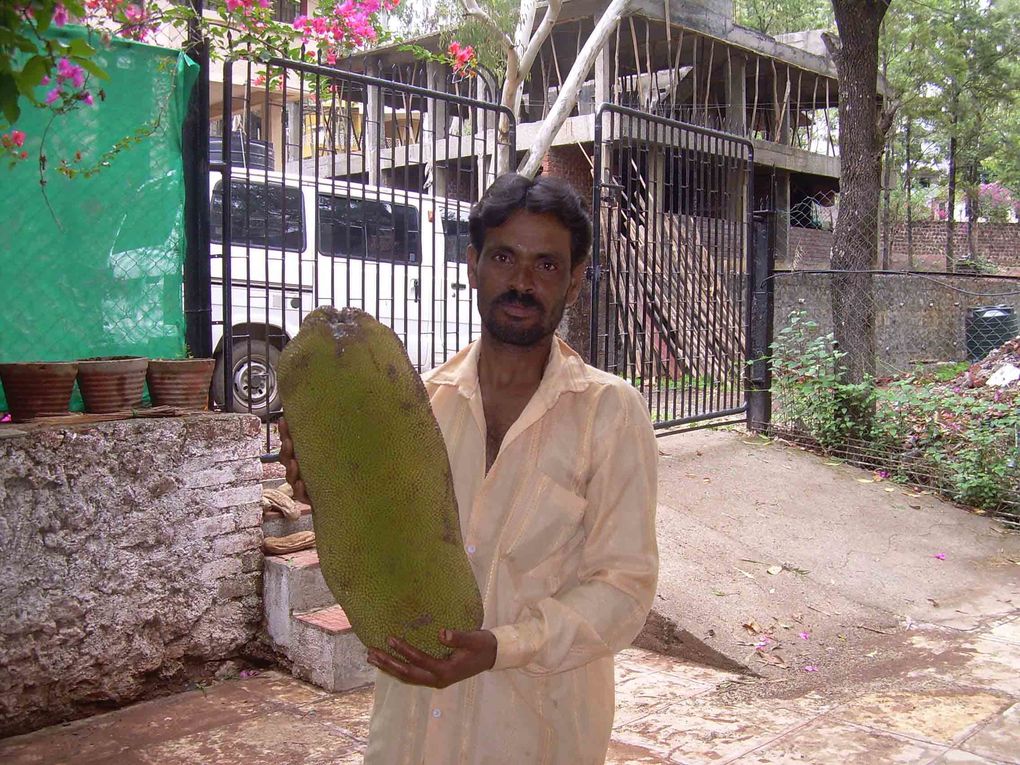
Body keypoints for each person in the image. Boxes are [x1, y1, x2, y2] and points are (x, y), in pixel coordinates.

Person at [279, 172, 659, 764]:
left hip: (538, 735)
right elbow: (378, 539)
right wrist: (328, 490)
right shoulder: (416, 402)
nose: (523, 282)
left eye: (547, 265)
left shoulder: (610, 415)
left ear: (576, 282)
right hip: (409, 740)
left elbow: (625, 589)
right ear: (472, 263)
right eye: (505, 257)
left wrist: (502, 646)